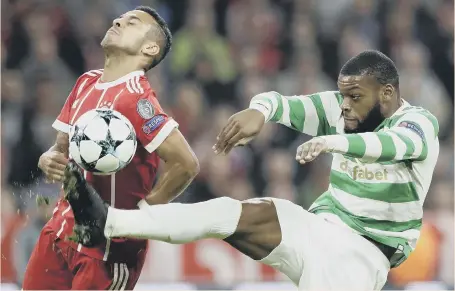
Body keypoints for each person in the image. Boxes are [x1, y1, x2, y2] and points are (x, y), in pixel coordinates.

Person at [63, 50, 440, 290]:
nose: (344, 106)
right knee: (228, 212)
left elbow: (392, 147)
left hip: (363, 255)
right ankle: (108, 223)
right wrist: (259, 111)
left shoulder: (418, 124)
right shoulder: (340, 109)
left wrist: (334, 142)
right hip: (317, 226)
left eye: (355, 97)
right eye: (342, 95)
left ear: (387, 93)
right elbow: (279, 102)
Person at [23, 6, 199, 290]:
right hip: (60, 230)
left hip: (106, 247)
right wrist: (49, 159)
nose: (117, 20)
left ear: (150, 47)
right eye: (120, 18)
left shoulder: (137, 99)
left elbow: (187, 164)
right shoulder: (85, 82)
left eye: (132, 23)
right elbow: (59, 150)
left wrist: (142, 215)